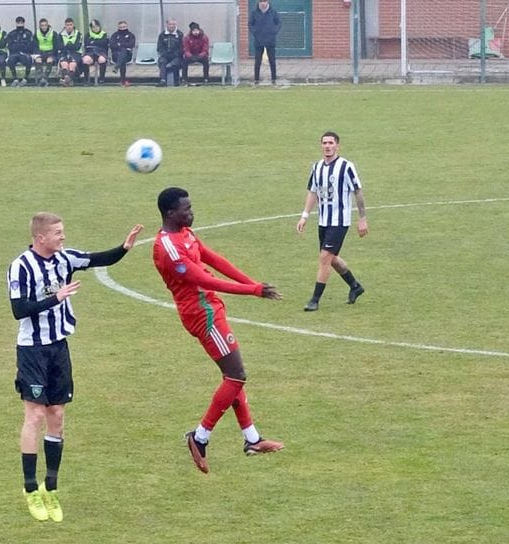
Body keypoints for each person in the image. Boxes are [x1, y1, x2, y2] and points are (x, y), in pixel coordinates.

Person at [8, 213, 143, 521]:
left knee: (56, 414)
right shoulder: (21, 266)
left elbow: (97, 259)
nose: (63, 237)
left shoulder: (65, 258)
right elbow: (19, 310)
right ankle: (30, 489)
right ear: (40, 238)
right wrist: (56, 296)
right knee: (36, 414)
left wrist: (124, 247)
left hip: (59, 347)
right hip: (33, 350)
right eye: (58, 233)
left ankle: (50, 488)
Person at [152, 187, 284, 474]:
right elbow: (206, 280)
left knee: (232, 376)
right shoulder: (168, 249)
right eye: (186, 209)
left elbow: (214, 260)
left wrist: (254, 283)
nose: (192, 212)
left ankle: (252, 439)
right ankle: (199, 438)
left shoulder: (185, 234)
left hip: (212, 309)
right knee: (236, 375)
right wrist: (253, 291)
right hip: (202, 315)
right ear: (170, 213)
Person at [295, 131, 368, 312]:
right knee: (332, 258)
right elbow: (313, 192)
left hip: (339, 221)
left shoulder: (346, 166)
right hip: (323, 220)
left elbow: (357, 192)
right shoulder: (317, 167)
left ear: (337, 146)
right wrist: (304, 216)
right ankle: (355, 286)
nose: (327, 146)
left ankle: (315, 300)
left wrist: (362, 219)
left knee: (325, 258)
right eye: (324, 143)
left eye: (331, 143)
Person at [248, 0, 281, 86]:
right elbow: (250, 24)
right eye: (261, 1)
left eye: (265, 1)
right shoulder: (254, 13)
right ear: (259, 3)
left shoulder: (273, 12)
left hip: (270, 40)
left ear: (268, 2)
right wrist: (255, 32)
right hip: (258, 40)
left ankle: (274, 79)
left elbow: (279, 23)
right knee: (257, 61)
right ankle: (256, 79)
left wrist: (274, 31)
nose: (263, 3)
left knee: (272, 61)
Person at [5, 16, 35, 87]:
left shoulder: (28, 33)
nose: (20, 24)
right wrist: (18, 47)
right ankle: (15, 79)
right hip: (14, 54)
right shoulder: (12, 34)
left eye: (21, 23)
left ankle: (25, 79)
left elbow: (30, 45)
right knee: (11, 60)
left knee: (28, 59)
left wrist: (22, 48)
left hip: (25, 54)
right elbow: (10, 46)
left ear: (24, 23)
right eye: (18, 23)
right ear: (16, 23)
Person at [56, 18, 83, 87]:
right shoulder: (60, 35)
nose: (69, 27)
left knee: (72, 65)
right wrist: (70, 45)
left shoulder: (79, 34)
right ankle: (69, 80)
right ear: (65, 25)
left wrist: (67, 45)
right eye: (67, 25)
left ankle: (65, 80)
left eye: (70, 25)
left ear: (73, 25)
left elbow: (77, 46)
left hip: (76, 54)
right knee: (64, 64)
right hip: (64, 53)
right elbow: (59, 46)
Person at [156, 19, 183, 87]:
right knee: (162, 62)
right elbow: (159, 48)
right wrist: (165, 54)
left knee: (174, 64)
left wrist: (176, 54)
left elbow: (182, 47)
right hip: (165, 56)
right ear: (167, 25)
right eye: (170, 24)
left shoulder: (180, 34)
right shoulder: (162, 35)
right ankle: (163, 81)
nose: (172, 26)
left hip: (177, 56)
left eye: (173, 24)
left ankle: (176, 81)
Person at [81, 19, 108, 85]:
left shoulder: (104, 34)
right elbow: (87, 44)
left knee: (102, 60)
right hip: (90, 52)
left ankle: (102, 80)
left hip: (101, 52)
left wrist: (94, 42)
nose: (95, 28)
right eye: (93, 27)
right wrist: (97, 42)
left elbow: (103, 43)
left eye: (97, 26)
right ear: (91, 28)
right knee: (86, 60)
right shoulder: (87, 35)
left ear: (99, 26)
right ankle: (86, 80)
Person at [109, 20, 135, 87]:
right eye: (121, 27)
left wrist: (120, 45)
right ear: (118, 27)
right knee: (122, 56)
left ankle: (117, 67)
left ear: (127, 26)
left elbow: (131, 44)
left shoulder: (130, 35)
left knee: (123, 53)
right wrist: (123, 46)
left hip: (128, 55)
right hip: (116, 55)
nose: (122, 28)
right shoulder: (114, 35)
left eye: (124, 27)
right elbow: (112, 45)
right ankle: (123, 81)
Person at [33, 18, 59, 86]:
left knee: (49, 60)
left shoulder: (54, 33)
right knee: (38, 60)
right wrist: (37, 55)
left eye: (45, 25)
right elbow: (35, 46)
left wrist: (51, 55)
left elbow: (56, 47)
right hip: (40, 53)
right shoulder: (36, 33)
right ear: (40, 26)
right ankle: (42, 79)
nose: (44, 27)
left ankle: (44, 78)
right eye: (42, 25)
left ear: (48, 25)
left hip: (51, 53)